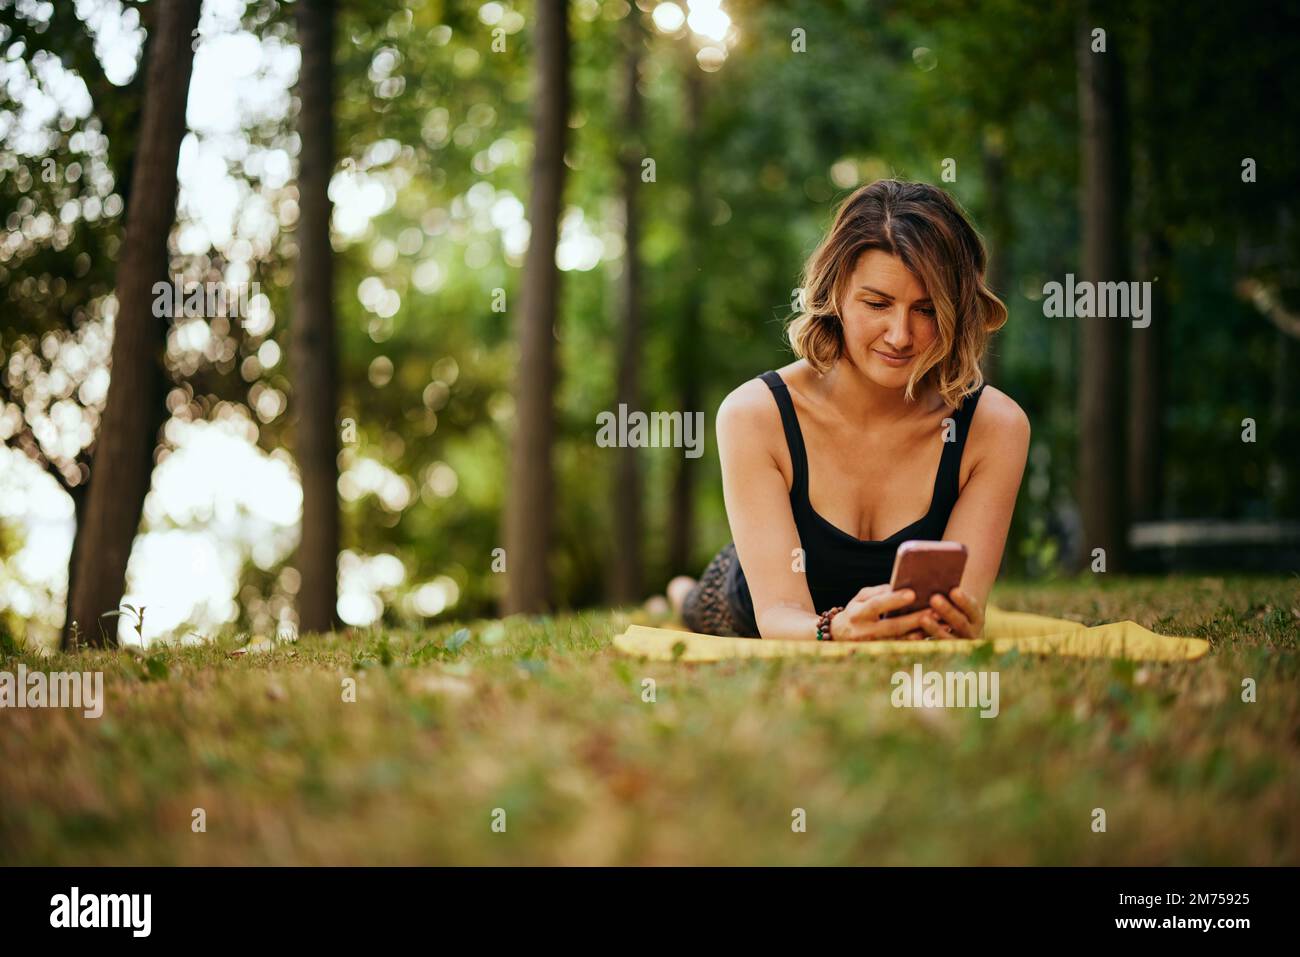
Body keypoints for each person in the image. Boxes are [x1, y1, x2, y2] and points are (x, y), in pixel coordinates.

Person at [666, 179, 1030, 642]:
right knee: (693, 604)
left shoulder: (994, 428)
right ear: (836, 293)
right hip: (743, 604)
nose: (900, 335)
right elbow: (777, 613)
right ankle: (679, 592)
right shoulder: (754, 414)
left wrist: (954, 621)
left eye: (926, 309)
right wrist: (834, 628)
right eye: (877, 303)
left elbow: (962, 610)